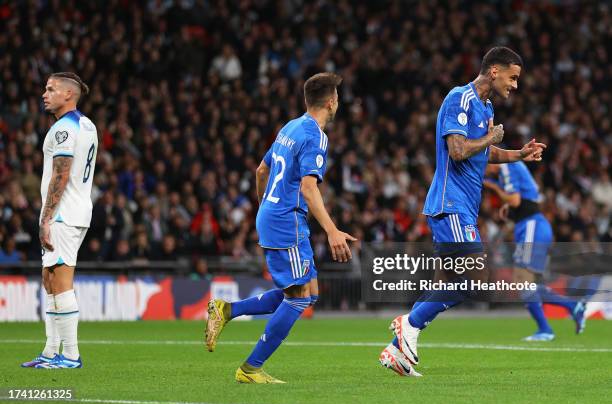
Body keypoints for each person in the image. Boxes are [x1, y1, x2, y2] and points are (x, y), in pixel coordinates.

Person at [385, 47, 546, 376]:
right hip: (450, 205)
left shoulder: (485, 107)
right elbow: (457, 151)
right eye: (512, 77)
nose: (515, 85)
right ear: (493, 72)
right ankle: (408, 323)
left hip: (463, 210)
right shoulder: (460, 98)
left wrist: (519, 154)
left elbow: (484, 155)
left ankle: (398, 350)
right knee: (476, 280)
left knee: (445, 282)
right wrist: (488, 137)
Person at [205, 72, 357, 383]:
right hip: (287, 220)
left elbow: (262, 170)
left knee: (307, 293)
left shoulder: (289, 128)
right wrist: (331, 230)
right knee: (299, 297)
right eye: (337, 97)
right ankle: (250, 368)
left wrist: (265, 209)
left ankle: (227, 310)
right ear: (331, 102)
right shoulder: (315, 135)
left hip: (276, 216)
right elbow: (309, 188)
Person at [21, 72, 98, 369]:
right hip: (74, 209)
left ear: (69, 95)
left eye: (51, 89)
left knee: (61, 282)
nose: (44, 93)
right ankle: (52, 351)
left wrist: (46, 218)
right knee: (49, 279)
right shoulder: (86, 124)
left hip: (64, 213)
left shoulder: (63, 129)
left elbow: (61, 173)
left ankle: (71, 355)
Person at [484, 162, 586, 341]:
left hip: (532, 226)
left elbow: (515, 199)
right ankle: (571, 306)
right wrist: (511, 210)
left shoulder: (506, 166)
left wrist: (493, 186)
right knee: (527, 282)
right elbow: (525, 197)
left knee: (522, 280)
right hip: (531, 226)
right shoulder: (509, 169)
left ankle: (546, 328)